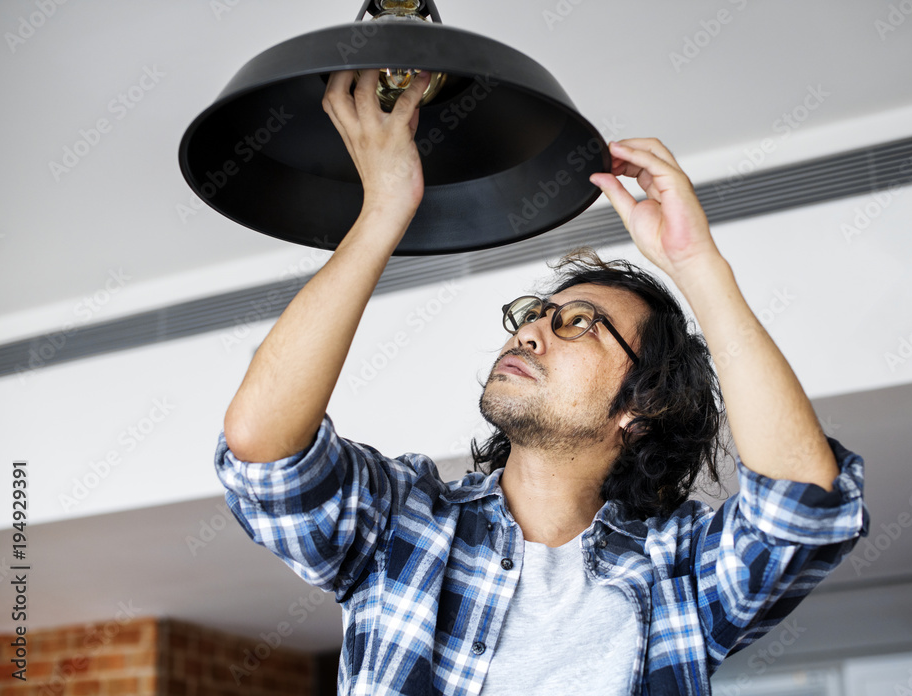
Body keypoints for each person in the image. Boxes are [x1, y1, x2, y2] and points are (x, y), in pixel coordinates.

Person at [215, 69, 869, 696]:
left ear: (642, 407)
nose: (529, 333)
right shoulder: (404, 524)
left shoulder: (678, 572)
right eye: (533, 317)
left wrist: (698, 267)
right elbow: (263, 449)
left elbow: (802, 505)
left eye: (579, 324)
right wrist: (384, 210)